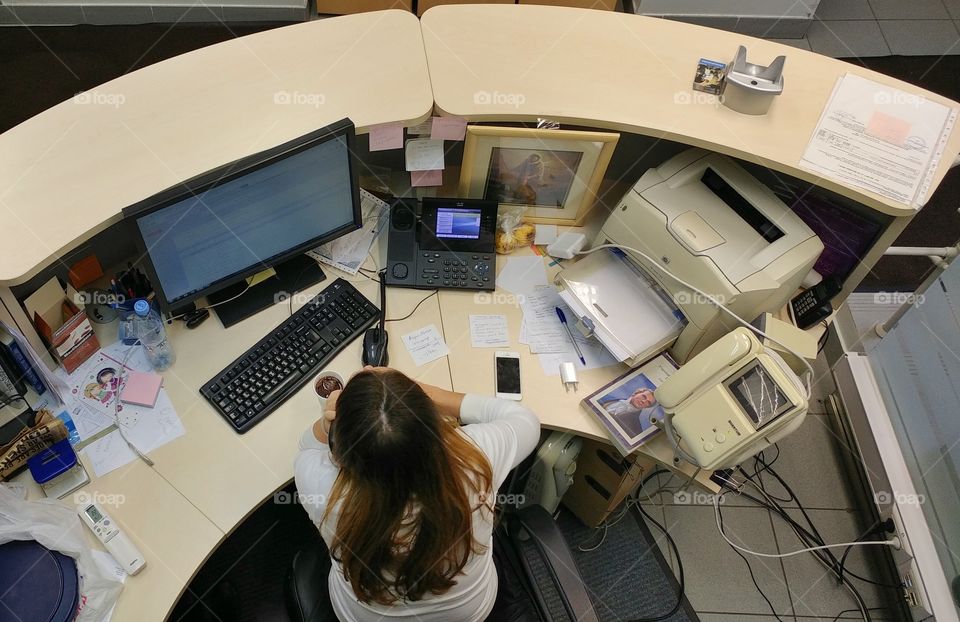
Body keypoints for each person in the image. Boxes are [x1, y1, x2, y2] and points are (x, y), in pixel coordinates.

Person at [294, 366, 540, 622]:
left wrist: (325, 426)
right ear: (436, 426)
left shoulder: (321, 486)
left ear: (339, 453)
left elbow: (306, 449)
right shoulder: (476, 458)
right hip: (471, 614)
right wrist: (427, 393)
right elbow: (526, 421)